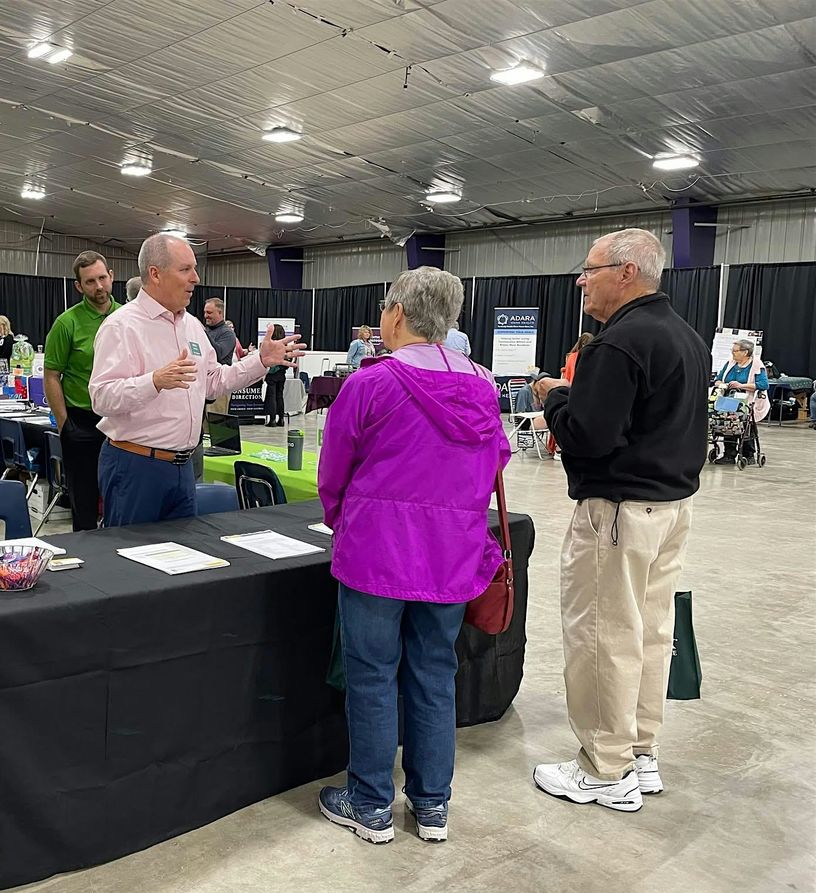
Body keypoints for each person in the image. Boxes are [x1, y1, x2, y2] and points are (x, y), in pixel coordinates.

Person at [315, 267, 508, 845]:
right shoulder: (482, 383)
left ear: (396, 313)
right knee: (434, 674)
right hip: (452, 557)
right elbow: (496, 460)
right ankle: (432, 806)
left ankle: (371, 803)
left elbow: (334, 470)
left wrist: (341, 520)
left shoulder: (370, 384)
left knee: (372, 676)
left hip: (377, 552)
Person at [530, 228, 709, 812]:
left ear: (626, 273)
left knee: (604, 636)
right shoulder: (684, 337)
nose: (582, 280)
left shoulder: (619, 343)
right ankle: (638, 750)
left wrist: (556, 397)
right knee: (650, 634)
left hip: (618, 513)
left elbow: (588, 435)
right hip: (669, 509)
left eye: (591, 269)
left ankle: (605, 769)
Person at [90, 234, 305, 526]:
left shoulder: (191, 326)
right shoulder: (122, 326)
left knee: (183, 560)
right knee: (132, 562)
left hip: (183, 467)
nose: (196, 277)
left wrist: (260, 361)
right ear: (155, 273)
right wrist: (154, 381)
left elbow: (214, 381)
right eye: (185, 269)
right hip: (136, 466)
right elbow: (101, 397)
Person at [44, 251, 123, 530]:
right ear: (79, 286)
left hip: (122, 423)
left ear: (111, 276)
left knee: (121, 500)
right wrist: (65, 424)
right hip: (82, 423)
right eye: (90, 282)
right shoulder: (67, 323)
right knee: (85, 504)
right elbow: (52, 374)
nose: (99, 286)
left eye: (102, 278)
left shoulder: (128, 318)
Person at [712, 338, 769, 462]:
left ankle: (748, 454)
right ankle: (729, 454)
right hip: (728, 398)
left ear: (745, 352)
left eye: (735, 351)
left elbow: (764, 385)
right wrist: (722, 384)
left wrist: (741, 386)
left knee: (745, 422)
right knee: (727, 423)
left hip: (746, 400)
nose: (732, 353)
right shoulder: (730, 363)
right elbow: (718, 379)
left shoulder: (757, 365)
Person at [202, 297, 237, 415]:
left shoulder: (227, 333)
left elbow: (218, 354)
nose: (206, 315)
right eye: (205, 312)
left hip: (219, 388)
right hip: (204, 387)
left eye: (209, 312)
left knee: (216, 427)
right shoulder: (207, 331)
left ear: (220, 313)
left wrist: (204, 334)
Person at [263, 324, 288, 427]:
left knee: (272, 396)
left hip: (272, 374)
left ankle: (272, 419)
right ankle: (281, 419)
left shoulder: (272, 345)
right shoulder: (285, 345)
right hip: (282, 374)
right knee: (280, 396)